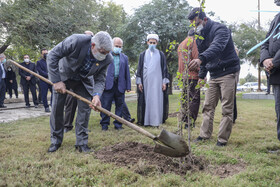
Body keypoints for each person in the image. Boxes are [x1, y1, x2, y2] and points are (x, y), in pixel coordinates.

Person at [47, 31, 113, 153]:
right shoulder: (76, 41)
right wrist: (56, 81)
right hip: (63, 76)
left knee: (85, 109)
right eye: (103, 52)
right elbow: (52, 55)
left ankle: (81, 143)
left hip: (83, 81)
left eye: (107, 53)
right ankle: (55, 141)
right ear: (93, 45)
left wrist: (97, 95)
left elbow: (100, 79)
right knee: (57, 108)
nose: (104, 56)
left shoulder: (108, 58)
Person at [188, 8, 240, 146]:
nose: (195, 27)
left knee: (227, 108)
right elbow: (203, 55)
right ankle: (204, 135)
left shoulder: (221, 29)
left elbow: (216, 47)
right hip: (214, 74)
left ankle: (222, 139)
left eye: (196, 23)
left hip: (228, 71)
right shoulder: (199, 35)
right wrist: (201, 75)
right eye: (192, 25)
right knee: (208, 106)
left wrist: (200, 59)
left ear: (204, 20)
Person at [63, 31, 94, 133]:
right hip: (71, 81)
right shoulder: (76, 46)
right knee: (70, 105)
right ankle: (67, 125)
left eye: (91, 36)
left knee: (85, 108)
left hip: (84, 83)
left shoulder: (94, 53)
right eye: (87, 36)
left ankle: (81, 129)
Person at [136, 34, 169, 127]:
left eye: (154, 43)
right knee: (146, 100)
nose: (152, 44)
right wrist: (139, 82)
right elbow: (139, 69)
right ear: (147, 42)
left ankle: (157, 120)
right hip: (146, 82)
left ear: (157, 43)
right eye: (150, 42)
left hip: (157, 82)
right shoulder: (142, 55)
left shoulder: (161, 54)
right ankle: (146, 121)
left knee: (157, 100)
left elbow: (164, 69)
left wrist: (164, 82)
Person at [100, 37, 131, 131]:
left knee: (120, 106)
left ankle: (118, 124)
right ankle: (104, 125)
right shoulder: (105, 55)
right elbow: (101, 71)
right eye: (116, 46)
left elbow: (127, 73)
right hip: (108, 85)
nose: (118, 48)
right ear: (112, 46)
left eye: (120, 46)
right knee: (106, 106)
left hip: (120, 85)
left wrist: (128, 86)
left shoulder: (124, 58)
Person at [260, 0, 280, 142]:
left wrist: (274, 61)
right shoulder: (276, 18)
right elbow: (265, 42)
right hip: (277, 75)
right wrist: (265, 59)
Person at [177, 28, 200, 129]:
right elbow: (196, 59)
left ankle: (184, 119)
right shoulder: (193, 42)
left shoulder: (181, 44)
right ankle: (190, 122)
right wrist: (201, 75)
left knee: (185, 98)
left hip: (183, 75)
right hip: (192, 75)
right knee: (194, 98)